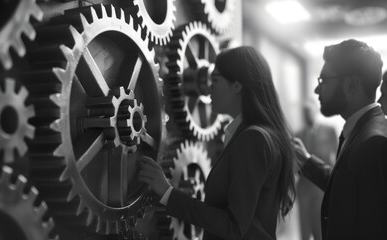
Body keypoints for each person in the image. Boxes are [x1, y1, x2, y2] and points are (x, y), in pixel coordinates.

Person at [138, 46, 296, 240]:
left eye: (216, 79)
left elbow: (234, 227)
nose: (208, 86)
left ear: (237, 85)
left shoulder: (253, 139)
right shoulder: (259, 136)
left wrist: (168, 193)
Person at [294, 39, 387, 239]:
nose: (317, 90)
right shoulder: (360, 130)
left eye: (324, 80)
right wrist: (307, 161)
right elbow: (345, 188)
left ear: (351, 84)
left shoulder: (374, 142)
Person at [295, 100, 338, 240]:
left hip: (321, 188)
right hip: (304, 189)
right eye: (304, 112)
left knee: (320, 228)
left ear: (315, 111)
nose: (307, 114)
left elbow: (337, 156)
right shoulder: (296, 135)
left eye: (309, 111)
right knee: (305, 229)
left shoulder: (329, 130)